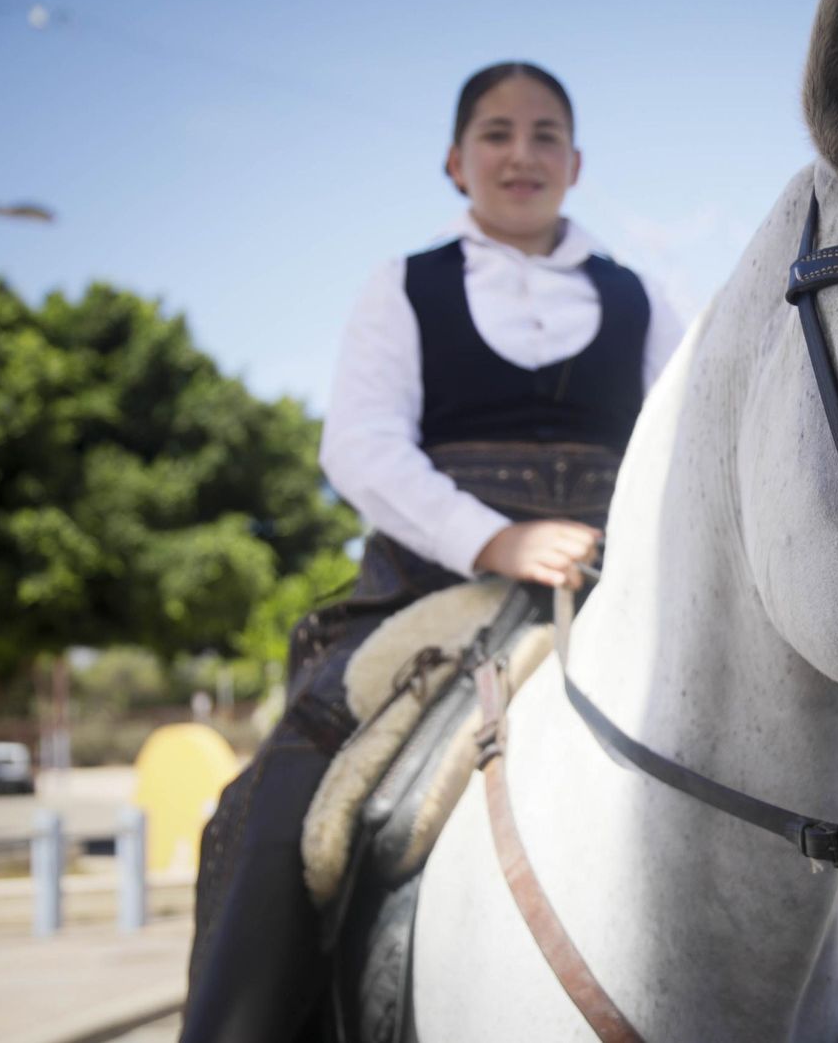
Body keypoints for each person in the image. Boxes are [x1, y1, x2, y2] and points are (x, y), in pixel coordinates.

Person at [181, 61, 685, 1043]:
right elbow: (360, 445)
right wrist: (495, 537)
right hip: (431, 592)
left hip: (621, 586)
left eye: (545, 135)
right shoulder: (403, 286)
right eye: (496, 134)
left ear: (575, 164)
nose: (521, 153)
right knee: (280, 795)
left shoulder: (645, 297)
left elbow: (684, 442)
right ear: (456, 161)